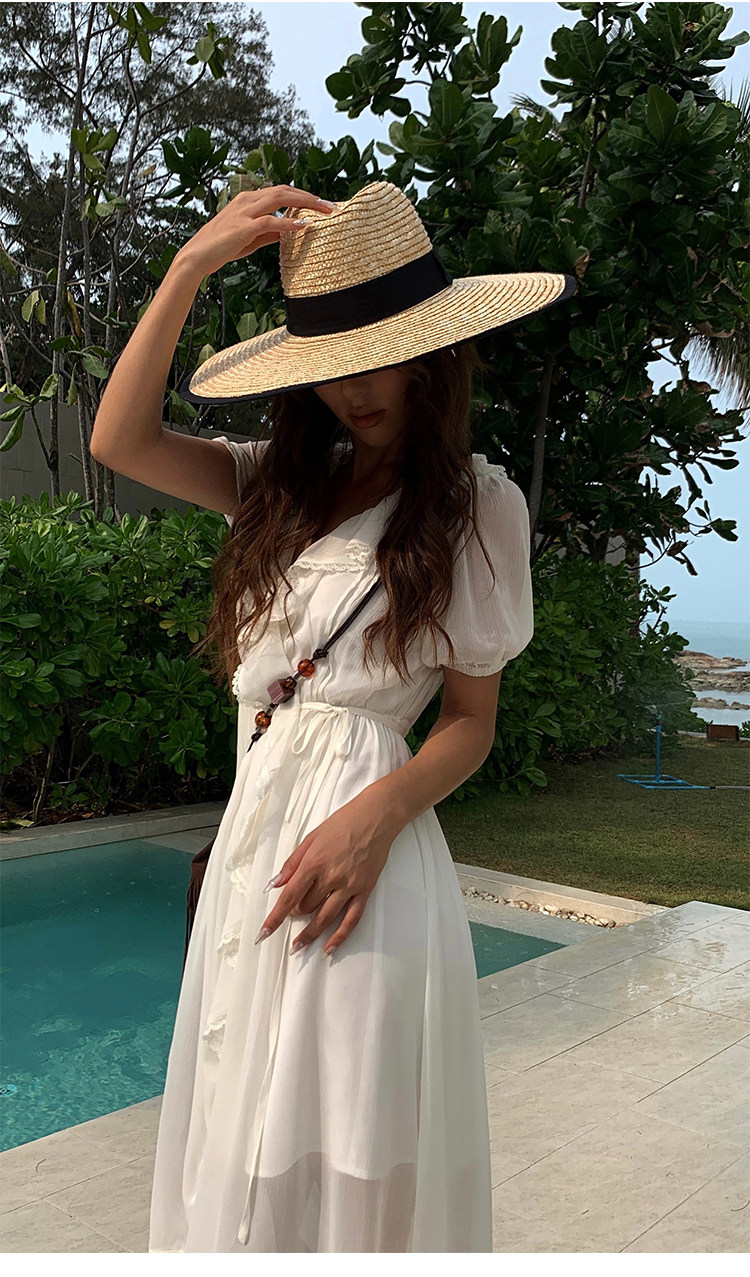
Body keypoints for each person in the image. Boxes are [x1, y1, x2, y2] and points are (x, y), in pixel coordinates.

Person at [90, 180, 577, 1253]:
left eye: (379, 354)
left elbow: (471, 721)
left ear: (430, 355)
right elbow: (118, 438)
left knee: (350, 1136)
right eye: (331, 361)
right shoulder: (277, 485)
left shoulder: (476, 507)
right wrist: (190, 264)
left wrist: (375, 820)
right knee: (244, 1131)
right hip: (255, 852)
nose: (355, 386)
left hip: (367, 859)